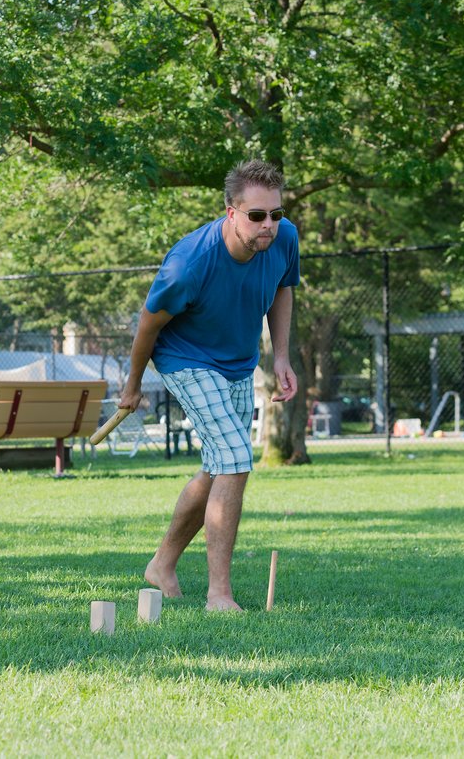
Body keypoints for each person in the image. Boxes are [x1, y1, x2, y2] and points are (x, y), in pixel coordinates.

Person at [118, 160, 299, 611]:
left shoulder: (284, 238)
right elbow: (147, 324)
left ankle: (162, 563)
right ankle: (219, 593)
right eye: (257, 215)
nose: (269, 225)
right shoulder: (188, 264)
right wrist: (133, 385)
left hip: (237, 361)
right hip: (185, 359)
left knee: (219, 465)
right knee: (236, 460)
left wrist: (280, 356)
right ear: (230, 211)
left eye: (276, 213)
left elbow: (282, 289)